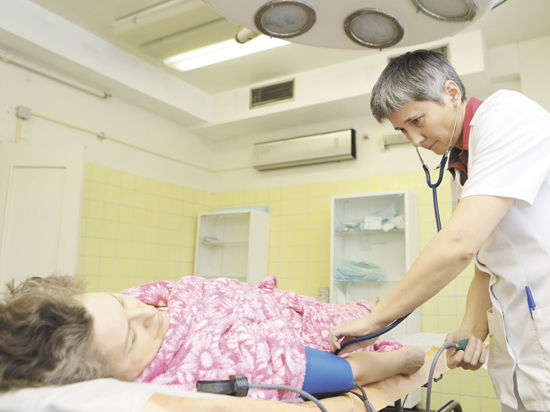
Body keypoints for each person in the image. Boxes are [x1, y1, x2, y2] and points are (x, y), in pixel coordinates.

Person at [329, 49, 550, 412]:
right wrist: (470, 329)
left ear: (451, 92)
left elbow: (460, 244)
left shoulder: (506, 115)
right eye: (403, 130)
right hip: (518, 343)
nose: (414, 140)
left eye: (417, 120)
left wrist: (376, 320)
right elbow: (485, 266)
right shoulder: (462, 168)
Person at [0, 274, 425, 401]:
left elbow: (164, 291)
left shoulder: (133, 304)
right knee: (342, 357)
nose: (146, 314)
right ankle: (394, 355)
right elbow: (319, 372)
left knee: (344, 314)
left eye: (123, 302)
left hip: (271, 306)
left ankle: (366, 310)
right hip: (285, 344)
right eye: (132, 338)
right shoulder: (180, 383)